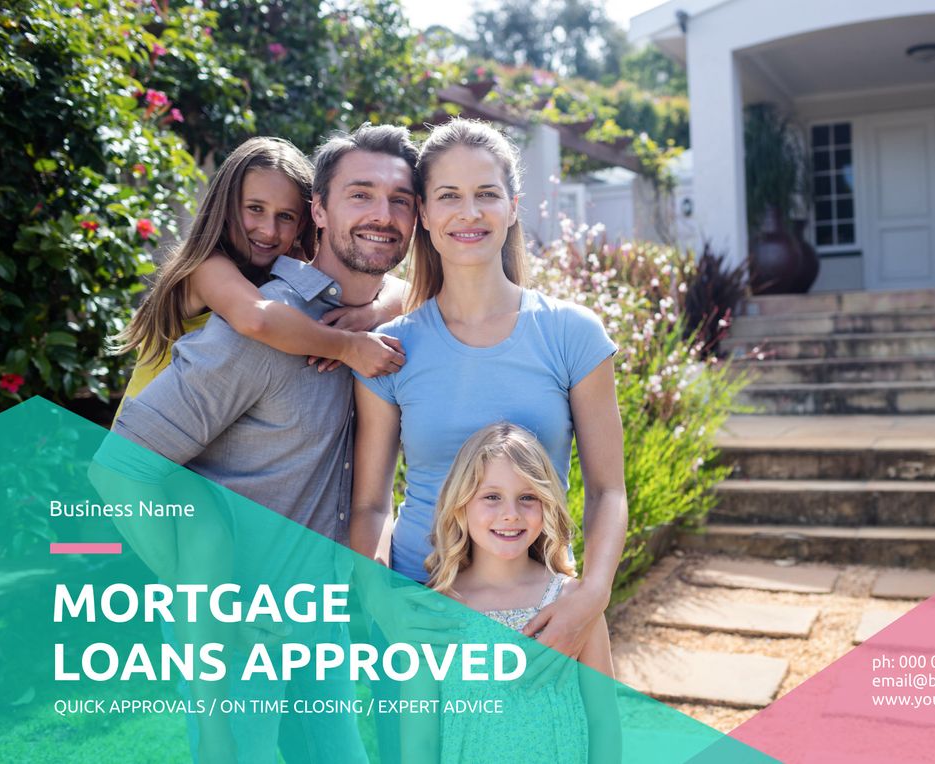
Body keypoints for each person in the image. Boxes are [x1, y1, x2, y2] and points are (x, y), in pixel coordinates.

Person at [92, 124, 420, 763]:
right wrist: (201, 601)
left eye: (400, 199)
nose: (382, 215)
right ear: (320, 212)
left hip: (317, 623)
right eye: (360, 195)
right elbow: (118, 472)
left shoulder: (389, 324)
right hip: (240, 635)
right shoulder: (257, 331)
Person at [351, 119, 628, 663]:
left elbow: (608, 492)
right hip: (422, 612)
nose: (469, 213)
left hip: (543, 612)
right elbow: (369, 505)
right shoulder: (390, 349)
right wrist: (382, 600)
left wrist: (591, 595)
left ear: (513, 206)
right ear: (424, 214)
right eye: (449, 196)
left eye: (486, 195)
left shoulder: (572, 334)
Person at [112, 135, 406, 422]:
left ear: (306, 220)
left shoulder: (284, 270)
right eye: (255, 209)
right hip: (143, 454)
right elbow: (256, 319)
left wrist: (373, 311)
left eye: (286, 216)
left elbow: (403, 290)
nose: (269, 230)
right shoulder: (205, 268)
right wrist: (348, 346)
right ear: (226, 208)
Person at [404, 422, 618, 763]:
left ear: (546, 504)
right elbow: (420, 743)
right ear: (460, 504)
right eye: (491, 496)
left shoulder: (574, 604)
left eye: (527, 497)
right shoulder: (433, 614)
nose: (510, 514)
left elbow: (604, 723)